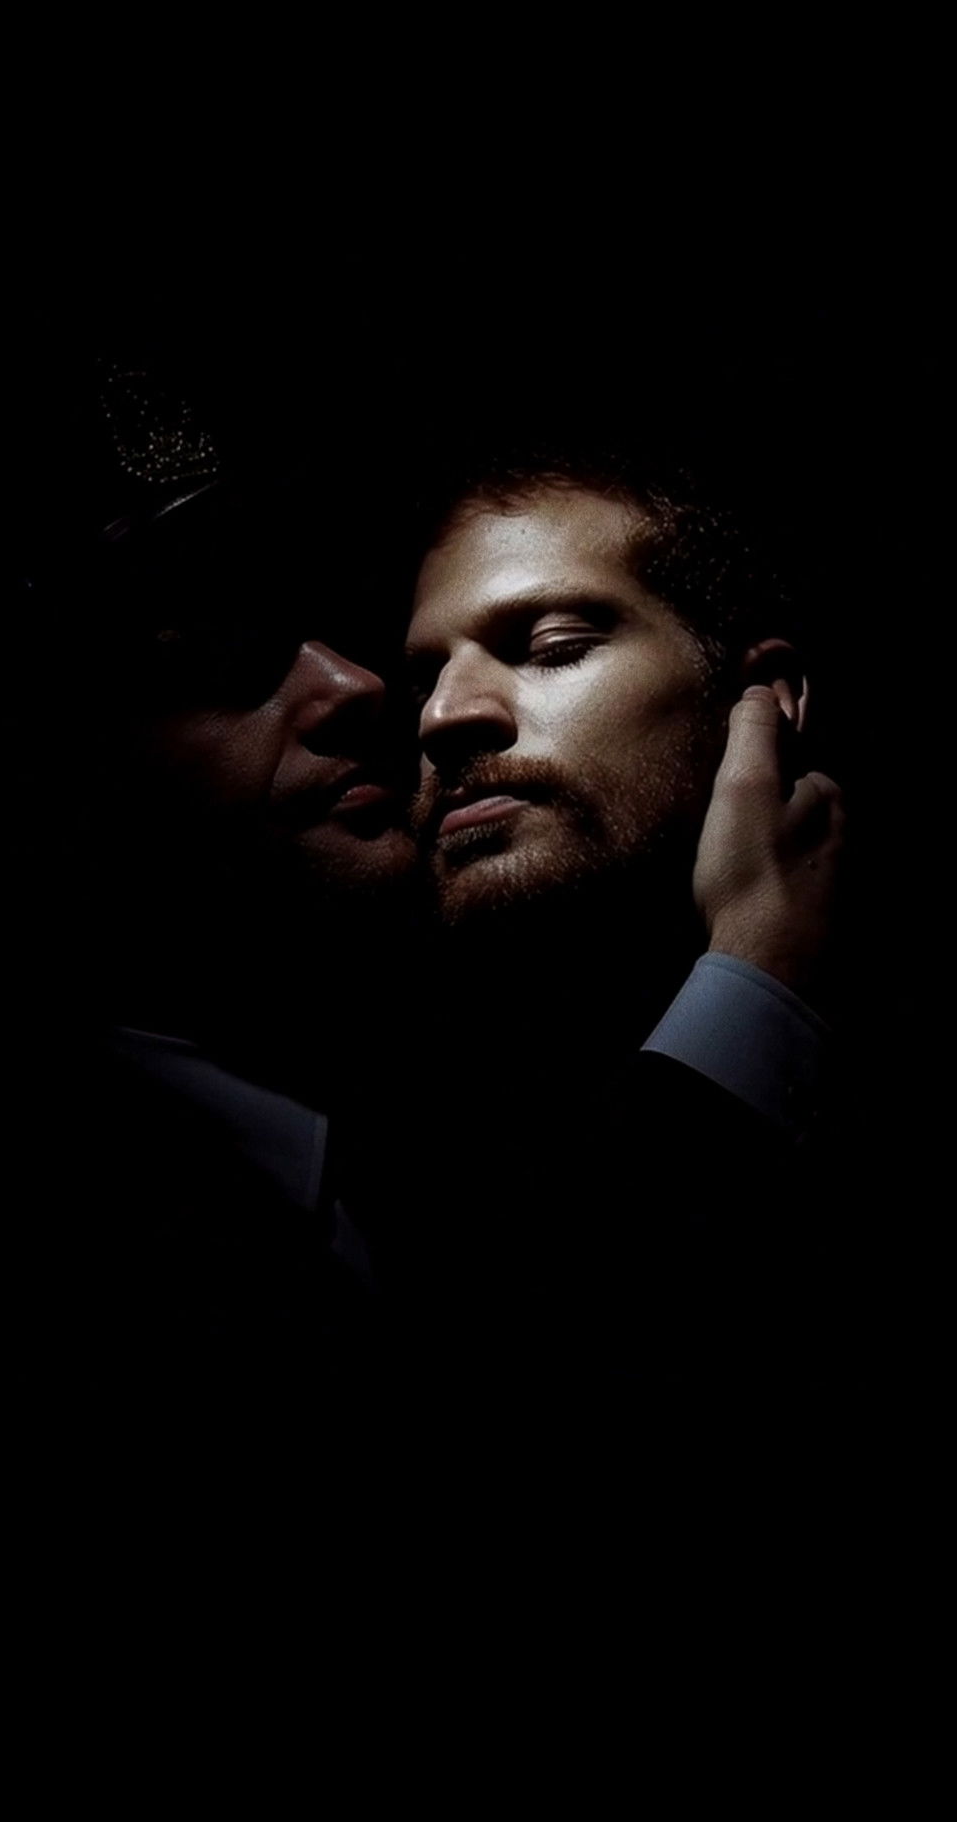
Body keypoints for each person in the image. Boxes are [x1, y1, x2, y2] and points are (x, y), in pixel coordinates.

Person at [393, 451, 850, 1430]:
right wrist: (759, 961)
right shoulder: (409, 1157)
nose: (441, 716)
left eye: (552, 647)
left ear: (764, 702)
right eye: (424, 678)